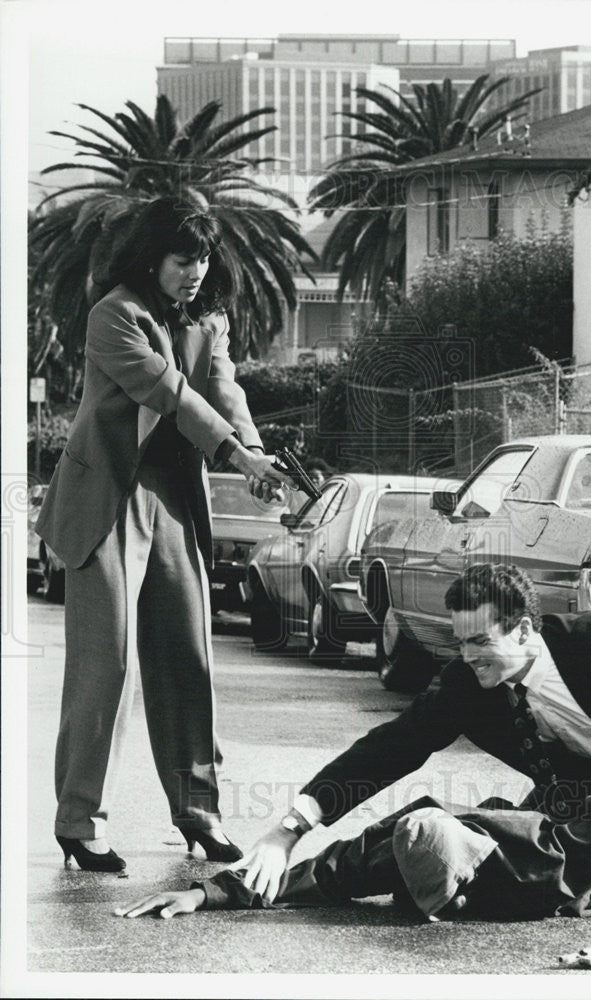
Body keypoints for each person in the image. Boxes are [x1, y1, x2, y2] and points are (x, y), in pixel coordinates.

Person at [116, 563, 591, 919]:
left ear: (526, 631)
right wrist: (289, 830)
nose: (467, 655)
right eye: (459, 640)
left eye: (481, 641)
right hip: (585, 782)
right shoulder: (467, 683)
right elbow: (389, 748)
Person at [36, 197, 289, 872]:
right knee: (107, 666)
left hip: (174, 497)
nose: (196, 272)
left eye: (204, 259)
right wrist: (237, 455)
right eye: (184, 260)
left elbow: (223, 389)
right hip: (108, 499)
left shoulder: (211, 317)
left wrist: (258, 458)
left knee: (187, 658)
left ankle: (200, 816)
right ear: (154, 257)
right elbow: (170, 392)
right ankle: (79, 820)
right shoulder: (114, 314)